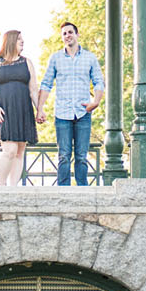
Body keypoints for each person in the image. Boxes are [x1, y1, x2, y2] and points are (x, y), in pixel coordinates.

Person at [36, 20, 104, 186]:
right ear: (62, 38)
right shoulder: (56, 58)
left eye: (70, 32)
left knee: (81, 156)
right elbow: (46, 84)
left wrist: (95, 101)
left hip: (83, 113)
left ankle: (83, 190)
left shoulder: (90, 58)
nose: (67, 36)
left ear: (77, 34)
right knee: (64, 156)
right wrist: (40, 108)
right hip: (62, 114)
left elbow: (99, 81)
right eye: (64, 33)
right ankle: (63, 190)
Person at [0, 29, 40, 186]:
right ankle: (1, 187)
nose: (22, 41)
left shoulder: (27, 62)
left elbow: (33, 89)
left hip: (23, 109)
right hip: (3, 109)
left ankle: (13, 188)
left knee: (20, 152)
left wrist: (39, 109)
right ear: (10, 41)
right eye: (19, 39)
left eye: (23, 39)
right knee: (10, 151)